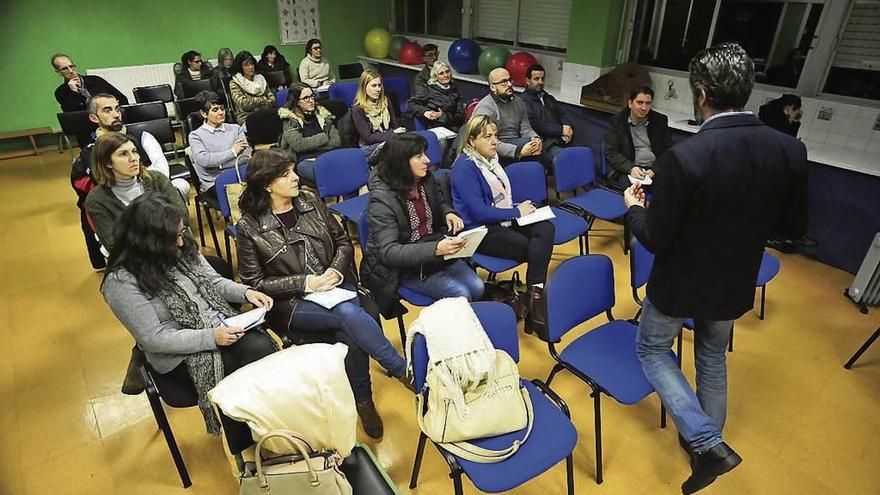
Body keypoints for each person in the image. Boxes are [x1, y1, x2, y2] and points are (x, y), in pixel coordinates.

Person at [623, 42, 808, 494]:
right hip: (734, 280)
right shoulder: (789, 150)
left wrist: (632, 207)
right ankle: (705, 444)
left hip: (679, 283)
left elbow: (655, 237)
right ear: (746, 90)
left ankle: (707, 442)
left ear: (701, 94)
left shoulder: (686, 157)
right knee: (710, 355)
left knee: (651, 351)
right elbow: (791, 229)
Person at [235, 149, 410, 438]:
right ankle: (399, 372)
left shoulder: (310, 201)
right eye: (286, 174)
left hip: (336, 285)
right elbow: (254, 283)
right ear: (267, 184)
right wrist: (306, 283)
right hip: (292, 303)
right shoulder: (249, 226)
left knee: (350, 329)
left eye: (293, 170)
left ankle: (363, 401)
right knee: (349, 315)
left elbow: (342, 241)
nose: (295, 177)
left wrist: (336, 272)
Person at [101, 193, 277, 435]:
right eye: (174, 237)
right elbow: (154, 337)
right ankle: (251, 439)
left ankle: (267, 430)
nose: (182, 243)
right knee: (256, 356)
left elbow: (214, 282)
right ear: (148, 241)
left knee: (261, 349)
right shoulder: (121, 282)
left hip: (219, 327)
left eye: (182, 233)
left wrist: (246, 293)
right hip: (179, 355)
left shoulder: (180, 247)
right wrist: (210, 337)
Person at [361, 133, 484, 318]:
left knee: (478, 287)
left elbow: (440, 202)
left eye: (424, 153)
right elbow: (389, 252)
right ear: (401, 162)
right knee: (462, 294)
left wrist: (448, 213)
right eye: (419, 156)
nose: (427, 160)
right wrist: (436, 249)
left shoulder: (424, 178)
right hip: (404, 268)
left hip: (433, 252)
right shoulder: (381, 200)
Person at [450, 115, 554, 334]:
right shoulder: (464, 167)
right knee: (532, 248)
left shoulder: (491, 160)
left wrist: (517, 206)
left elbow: (499, 198)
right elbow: (479, 211)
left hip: (501, 218)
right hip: (480, 229)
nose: (495, 141)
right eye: (487, 137)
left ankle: (533, 300)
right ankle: (534, 306)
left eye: (496, 135)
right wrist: (516, 211)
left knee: (546, 228)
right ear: (471, 141)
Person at [86, 133, 188, 253]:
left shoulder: (156, 179)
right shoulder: (97, 199)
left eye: (134, 151)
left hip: (175, 248)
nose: (133, 158)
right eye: (123, 154)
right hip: (136, 260)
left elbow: (182, 216)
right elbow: (113, 244)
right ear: (107, 162)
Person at [81, 93, 190, 200]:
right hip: (121, 198)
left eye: (117, 109)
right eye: (108, 110)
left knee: (181, 185)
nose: (116, 115)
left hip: (152, 188)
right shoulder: (91, 150)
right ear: (94, 118)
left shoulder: (142, 135)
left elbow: (162, 168)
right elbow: (104, 181)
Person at [604, 85, 672, 189]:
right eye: (640, 102)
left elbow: (667, 151)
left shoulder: (660, 121)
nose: (644, 108)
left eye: (648, 103)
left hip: (653, 170)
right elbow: (612, 153)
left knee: (672, 188)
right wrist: (631, 168)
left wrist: (655, 169)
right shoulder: (618, 122)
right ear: (630, 103)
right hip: (629, 168)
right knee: (633, 190)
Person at [472, 68, 544, 165]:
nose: (509, 84)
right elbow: (486, 142)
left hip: (517, 142)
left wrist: (536, 139)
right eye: (504, 82)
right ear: (493, 87)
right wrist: (518, 151)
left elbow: (525, 129)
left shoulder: (518, 102)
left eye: (510, 80)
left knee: (538, 150)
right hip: (496, 149)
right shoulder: (485, 108)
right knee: (540, 158)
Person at [188, 91, 250, 198]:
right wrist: (233, 151)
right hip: (215, 181)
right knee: (243, 197)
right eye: (215, 110)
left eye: (222, 108)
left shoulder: (236, 129)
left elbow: (246, 157)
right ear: (204, 114)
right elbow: (205, 160)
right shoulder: (196, 136)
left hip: (241, 175)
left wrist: (219, 165)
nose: (221, 112)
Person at [278, 83, 341, 184]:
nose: (311, 100)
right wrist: (323, 138)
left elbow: (336, 141)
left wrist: (311, 146)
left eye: (312, 96)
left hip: (328, 156)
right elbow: (299, 145)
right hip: (304, 160)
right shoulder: (290, 119)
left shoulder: (323, 114)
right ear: (297, 102)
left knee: (347, 168)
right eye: (306, 98)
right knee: (330, 175)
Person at [521, 64, 572, 158]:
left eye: (542, 79)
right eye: (536, 79)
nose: (540, 82)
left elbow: (563, 114)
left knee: (581, 155)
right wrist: (561, 130)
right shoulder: (523, 101)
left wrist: (567, 128)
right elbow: (537, 125)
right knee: (568, 159)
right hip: (543, 144)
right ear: (527, 81)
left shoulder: (548, 98)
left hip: (559, 139)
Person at [351, 69, 406, 157]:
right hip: (369, 146)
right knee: (394, 148)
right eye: (374, 86)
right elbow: (368, 138)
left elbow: (394, 126)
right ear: (364, 87)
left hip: (388, 139)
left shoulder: (385, 101)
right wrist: (393, 134)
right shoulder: (358, 109)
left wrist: (398, 132)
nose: (378, 89)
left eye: (379, 85)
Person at [52, 53, 128, 113]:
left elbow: (122, 99)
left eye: (71, 66)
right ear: (58, 72)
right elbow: (74, 115)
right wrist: (75, 93)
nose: (71, 71)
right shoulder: (61, 92)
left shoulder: (96, 80)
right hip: (87, 126)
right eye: (65, 69)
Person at [408, 61, 466, 132]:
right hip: (434, 127)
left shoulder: (455, 90)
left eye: (447, 71)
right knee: (443, 142)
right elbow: (411, 104)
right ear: (435, 76)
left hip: (453, 126)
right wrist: (425, 112)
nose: (446, 75)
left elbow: (461, 115)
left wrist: (444, 116)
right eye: (441, 73)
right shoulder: (427, 89)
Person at [229, 51, 276, 125]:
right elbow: (243, 103)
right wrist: (263, 99)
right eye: (246, 65)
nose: (250, 67)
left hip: (266, 113)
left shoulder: (260, 79)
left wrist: (254, 103)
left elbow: (272, 100)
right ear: (240, 67)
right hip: (247, 117)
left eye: (251, 63)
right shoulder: (235, 82)